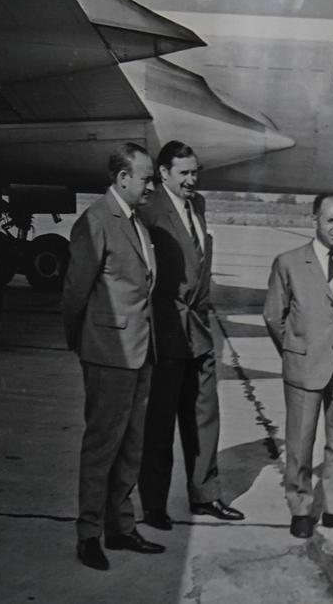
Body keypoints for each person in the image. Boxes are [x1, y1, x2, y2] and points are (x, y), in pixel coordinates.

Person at [62, 143, 164, 570]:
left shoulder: (137, 220)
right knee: (102, 446)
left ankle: (121, 528)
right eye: (145, 178)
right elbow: (74, 293)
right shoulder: (97, 221)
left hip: (141, 354)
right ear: (123, 178)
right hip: (109, 354)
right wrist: (85, 344)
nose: (152, 186)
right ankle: (89, 535)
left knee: (130, 447)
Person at [137, 141, 243, 531]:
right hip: (166, 334)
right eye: (183, 173)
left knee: (204, 418)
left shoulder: (198, 205)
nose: (192, 180)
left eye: (195, 172)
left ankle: (205, 495)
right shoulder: (149, 212)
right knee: (160, 424)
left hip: (200, 331)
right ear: (163, 173)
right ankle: (153, 505)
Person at [263, 194, 333, 539]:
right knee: (300, 440)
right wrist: (295, 350)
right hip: (305, 366)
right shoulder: (289, 262)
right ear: (315, 219)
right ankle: (300, 508)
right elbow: (272, 315)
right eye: (331, 220)